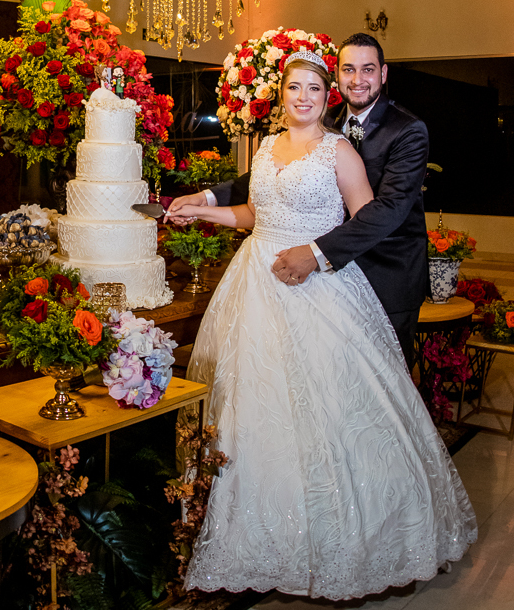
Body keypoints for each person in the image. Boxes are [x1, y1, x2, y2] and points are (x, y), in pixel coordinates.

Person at [170, 52, 476, 599]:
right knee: (254, 401)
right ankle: (254, 532)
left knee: (331, 405)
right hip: (255, 282)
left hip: (319, 285)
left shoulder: (340, 150)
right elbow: (255, 213)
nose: (304, 97)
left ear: (326, 95)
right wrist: (202, 209)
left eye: (314, 88)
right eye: (295, 87)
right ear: (282, 94)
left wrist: (315, 252)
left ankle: (343, 535)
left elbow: (369, 216)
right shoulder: (267, 147)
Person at [168, 33, 428, 369]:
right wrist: (204, 200)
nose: (357, 79)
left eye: (368, 69)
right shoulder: (322, 117)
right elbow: (272, 180)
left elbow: (390, 208)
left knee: (376, 374)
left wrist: (315, 253)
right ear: (337, 75)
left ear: (384, 73)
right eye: (348, 69)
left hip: (384, 272)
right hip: (284, 268)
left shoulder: (407, 130)